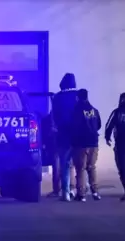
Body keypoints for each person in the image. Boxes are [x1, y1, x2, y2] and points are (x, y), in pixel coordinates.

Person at [71, 89, 102, 202]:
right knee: (91, 167)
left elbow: (74, 127)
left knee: (81, 169)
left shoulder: (76, 110)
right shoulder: (94, 110)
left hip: (81, 144)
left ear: (78, 97)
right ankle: (95, 192)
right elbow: (98, 125)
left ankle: (81, 194)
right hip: (94, 142)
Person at [51, 73, 78, 201]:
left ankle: (65, 192)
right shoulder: (79, 96)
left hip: (62, 134)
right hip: (78, 134)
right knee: (79, 165)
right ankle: (78, 190)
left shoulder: (57, 97)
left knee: (64, 163)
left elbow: (54, 116)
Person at [42, 111, 76, 197]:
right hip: (64, 145)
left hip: (57, 146)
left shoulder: (48, 119)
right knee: (67, 166)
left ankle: (60, 190)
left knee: (58, 167)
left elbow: (45, 134)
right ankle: (69, 189)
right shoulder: (67, 117)